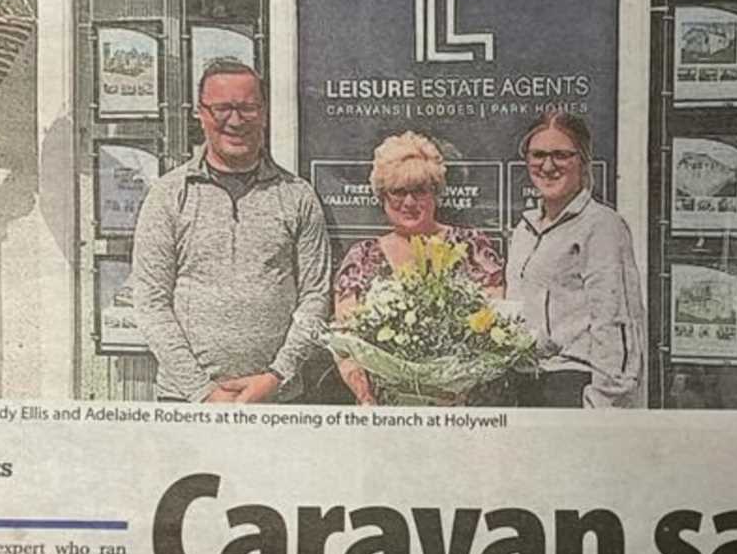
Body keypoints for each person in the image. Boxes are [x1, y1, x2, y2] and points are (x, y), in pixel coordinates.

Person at [131, 58, 330, 402]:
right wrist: (203, 392)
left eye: (248, 108)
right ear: (201, 113)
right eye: (222, 108)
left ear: (264, 113)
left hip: (278, 399)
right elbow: (151, 303)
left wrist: (276, 376)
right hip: (187, 402)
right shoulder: (168, 195)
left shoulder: (297, 196)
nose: (236, 121)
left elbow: (316, 296)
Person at [333, 131, 503, 406]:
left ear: (436, 193)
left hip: (462, 407)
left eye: (420, 190)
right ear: (382, 196)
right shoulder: (361, 258)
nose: (409, 202)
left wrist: (458, 387)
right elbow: (345, 341)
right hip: (385, 408)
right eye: (398, 192)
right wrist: (364, 394)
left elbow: (496, 326)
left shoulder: (472, 248)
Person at [504, 110, 645, 409]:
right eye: (538, 155)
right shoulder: (524, 229)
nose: (548, 166)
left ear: (582, 160)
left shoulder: (601, 226)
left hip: (572, 386)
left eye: (561, 155)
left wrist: (603, 403)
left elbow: (615, 320)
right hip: (525, 384)